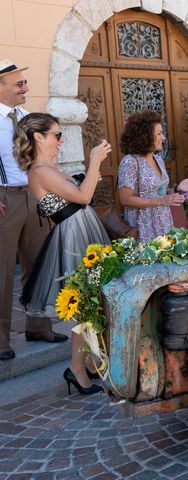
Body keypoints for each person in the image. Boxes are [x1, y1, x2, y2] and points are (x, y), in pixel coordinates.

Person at [16, 113, 111, 394]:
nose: (61, 140)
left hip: (84, 228)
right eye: (56, 134)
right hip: (72, 235)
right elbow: (82, 197)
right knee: (84, 306)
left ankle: (91, 363)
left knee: (92, 304)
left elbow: (85, 195)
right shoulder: (39, 171)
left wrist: (89, 176)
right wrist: (93, 162)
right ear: (38, 137)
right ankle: (76, 368)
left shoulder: (53, 167)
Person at [0, 59, 67, 361]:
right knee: (2, 272)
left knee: (39, 265)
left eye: (24, 82)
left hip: (35, 194)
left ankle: (38, 326)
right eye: (19, 83)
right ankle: (0, 339)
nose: (25, 87)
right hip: (5, 198)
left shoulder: (27, 117)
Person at [118, 110, 188, 243]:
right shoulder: (130, 162)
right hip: (143, 226)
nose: (164, 137)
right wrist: (160, 201)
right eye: (159, 133)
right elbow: (125, 199)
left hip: (164, 221)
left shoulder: (158, 159)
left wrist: (177, 188)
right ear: (145, 136)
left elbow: (158, 192)